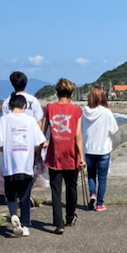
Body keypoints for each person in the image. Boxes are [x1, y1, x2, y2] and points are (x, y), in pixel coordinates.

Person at [0, 92, 46, 236]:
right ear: (24, 106)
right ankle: (24, 225)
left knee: (11, 195)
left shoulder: (4, 120)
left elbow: (0, 144)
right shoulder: (30, 120)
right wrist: (35, 151)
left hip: (9, 167)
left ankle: (13, 215)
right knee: (24, 196)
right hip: (26, 166)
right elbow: (40, 141)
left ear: (10, 106)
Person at [42, 78, 84, 234]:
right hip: (71, 154)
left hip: (55, 155)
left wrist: (39, 151)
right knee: (72, 187)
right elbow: (78, 135)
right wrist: (82, 157)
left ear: (57, 92)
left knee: (56, 190)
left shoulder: (49, 108)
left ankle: (59, 224)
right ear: (71, 94)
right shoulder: (76, 111)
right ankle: (70, 216)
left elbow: (42, 132)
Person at [81, 86, 119, 211]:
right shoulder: (106, 112)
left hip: (88, 150)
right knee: (102, 178)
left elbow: (80, 129)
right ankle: (99, 204)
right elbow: (114, 129)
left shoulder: (84, 111)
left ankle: (92, 194)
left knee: (91, 175)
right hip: (103, 150)